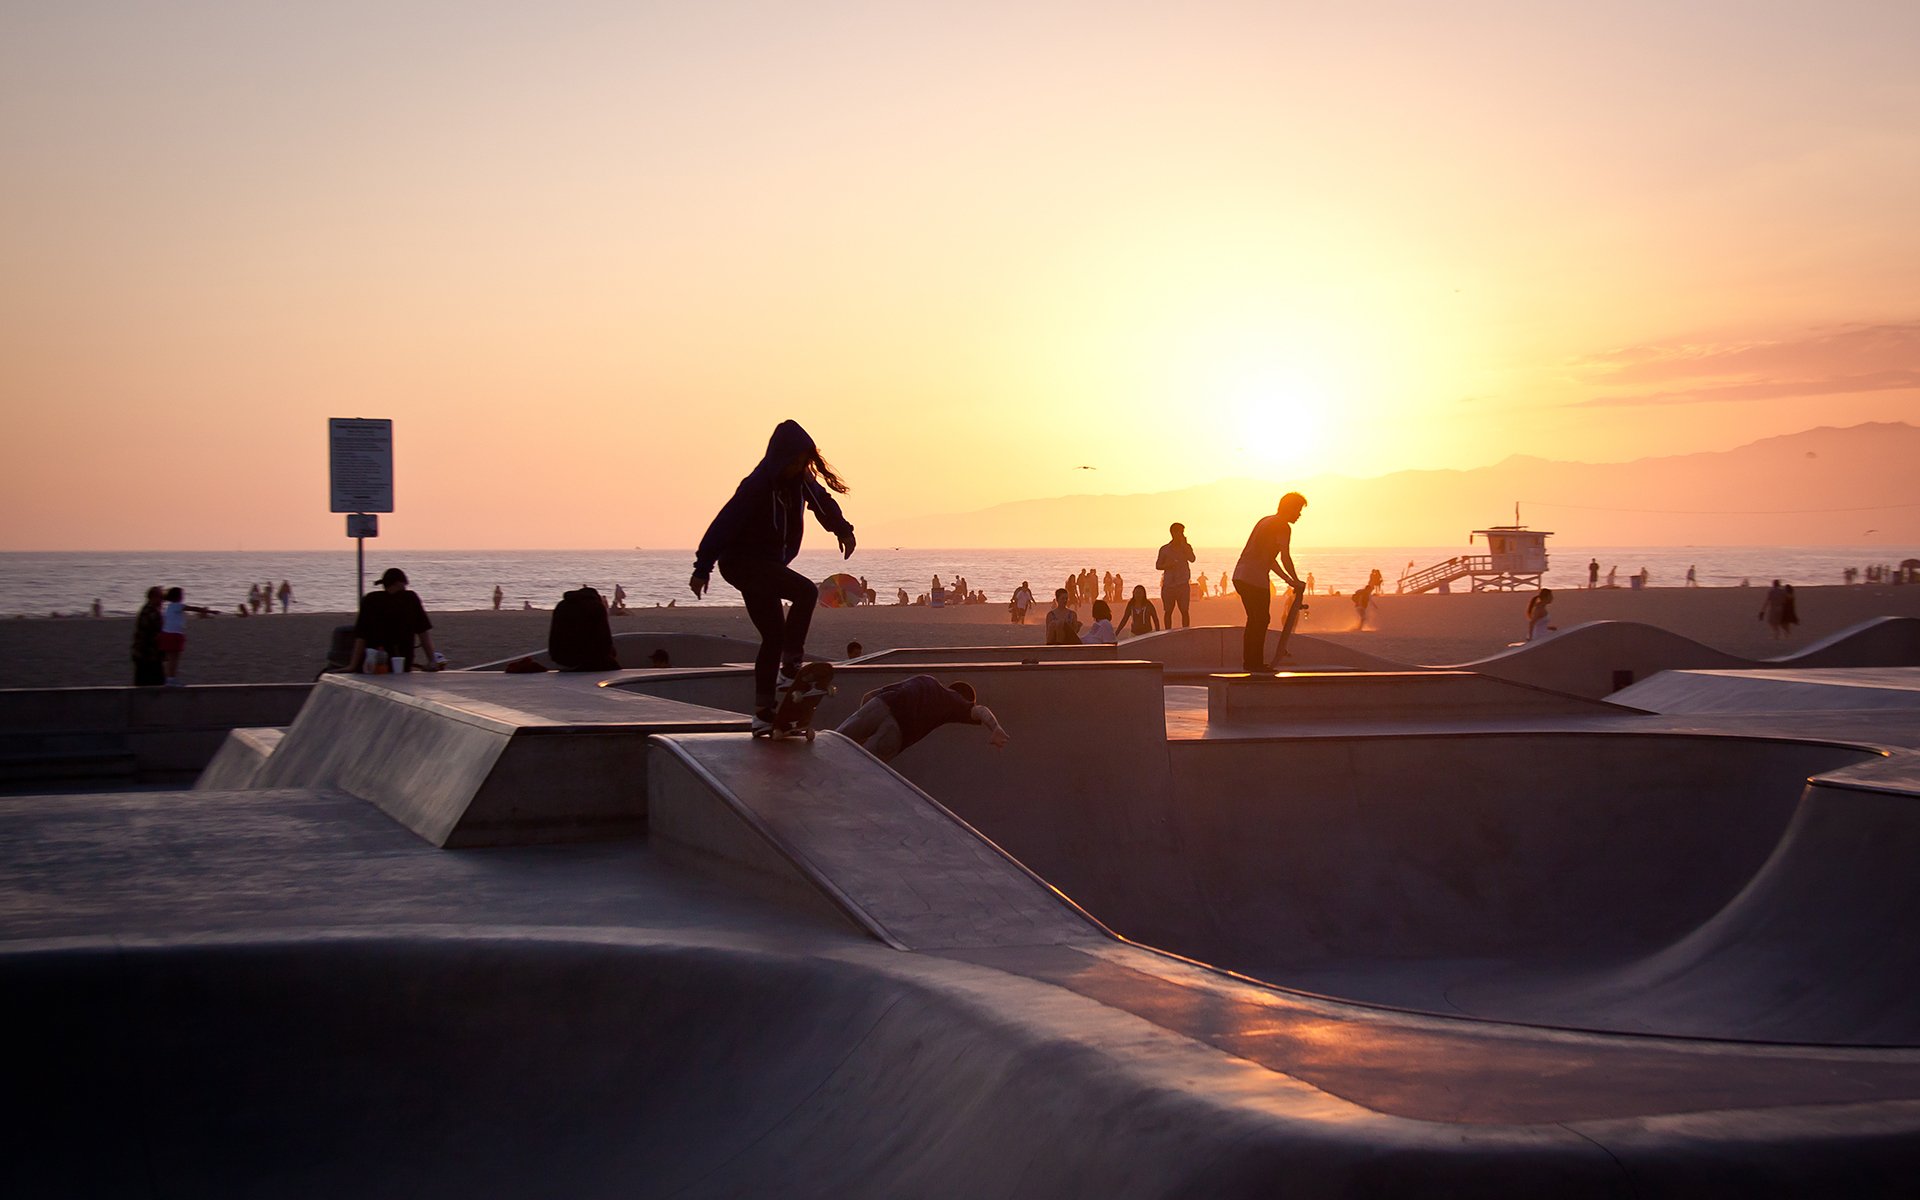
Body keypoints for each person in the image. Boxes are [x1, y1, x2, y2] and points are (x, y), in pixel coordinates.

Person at [689, 419, 855, 735]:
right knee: (806, 592)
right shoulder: (756, 486)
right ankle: (791, 665)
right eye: (793, 462)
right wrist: (702, 567)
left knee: (773, 636)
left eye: (803, 462)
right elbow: (723, 524)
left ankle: (763, 713)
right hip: (741, 563)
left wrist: (843, 530)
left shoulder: (801, 481)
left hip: (766, 566)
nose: (798, 468)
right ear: (779, 459)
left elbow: (823, 504)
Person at [836, 675, 1010, 764]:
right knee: (861, 766)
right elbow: (980, 710)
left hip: (881, 704)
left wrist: (863, 729)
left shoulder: (925, 679)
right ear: (966, 698)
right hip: (901, 728)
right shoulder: (956, 702)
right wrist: (995, 727)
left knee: (835, 740)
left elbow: (869, 696)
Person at [1231, 492, 1308, 672]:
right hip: (1254, 579)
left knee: (1256, 619)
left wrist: (1289, 580)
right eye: (1297, 510)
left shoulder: (1265, 520)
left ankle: (1251, 662)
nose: (1299, 515)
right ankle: (1254, 663)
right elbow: (1285, 557)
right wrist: (1296, 580)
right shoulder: (1283, 526)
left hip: (1240, 575)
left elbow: (1270, 559)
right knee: (1260, 619)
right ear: (1289, 508)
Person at [349, 567, 444, 673]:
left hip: (374, 659)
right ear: (399, 583)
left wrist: (352, 665)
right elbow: (423, 633)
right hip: (402, 658)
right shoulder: (410, 599)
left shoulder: (370, 599)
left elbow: (361, 636)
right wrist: (431, 660)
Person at [159, 587, 215, 685]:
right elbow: (192, 608)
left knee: (171, 658)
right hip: (174, 635)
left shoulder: (170, 607)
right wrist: (208, 611)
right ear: (178, 596)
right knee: (174, 659)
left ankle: (169, 678)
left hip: (168, 634)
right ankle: (171, 679)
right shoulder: (177, 605)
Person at [1155, 523, 1196, 629]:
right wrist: (1168, 565)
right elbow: (1158, 565)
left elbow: (1192, 559)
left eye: (1183, 532)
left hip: (1183, 584)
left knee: (1184, 610)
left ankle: (1186, 631)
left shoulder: (1186, 547)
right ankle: (1168, 631)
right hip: (1169, 585)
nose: (1182, 534)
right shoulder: (1164, 549)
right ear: (1173, 533)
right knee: (1168, 611)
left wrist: (1185, 546)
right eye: (1180, 532)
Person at [131, 586, 165, 686]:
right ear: (153, 597)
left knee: (142, 683)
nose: (162, 600)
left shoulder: (146, 610)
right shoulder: (152, 613)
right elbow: (156, 634)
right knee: (153, 684)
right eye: (160, 597)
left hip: (143, 653)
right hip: (148, 655)